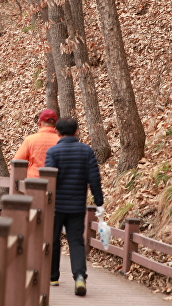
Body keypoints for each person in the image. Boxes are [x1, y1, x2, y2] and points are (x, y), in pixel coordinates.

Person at [45, 117, 104, 296]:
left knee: (53, 240)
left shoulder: (53, 152)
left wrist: (45, 200)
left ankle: (53, 276)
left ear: (57, 132)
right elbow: (94, 178)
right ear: (76, 132)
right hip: (77, 206)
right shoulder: (86, 151)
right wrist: (99, 201)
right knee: (76, 242)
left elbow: (48, 180)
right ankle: (79, 276)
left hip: (55, 206)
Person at [13, 109, 60, 178]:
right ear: (55, 124)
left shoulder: (30, 140)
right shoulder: (61, 140)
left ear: (39, 122)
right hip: (55, 183)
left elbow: (16, 162)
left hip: (33, 182)